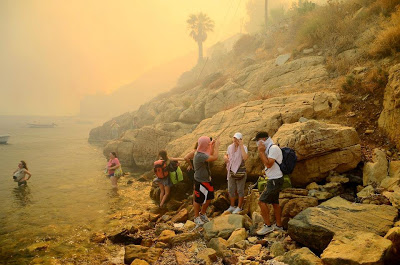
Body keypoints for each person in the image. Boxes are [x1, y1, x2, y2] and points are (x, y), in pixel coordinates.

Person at [254, 131, 284, 235]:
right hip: (273, 178)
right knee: (275, 203)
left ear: (263, 140)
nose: (257, 144)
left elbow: (269, 164)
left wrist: (261, 152)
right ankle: (279, 225)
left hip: (275, 180)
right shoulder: (270, 148)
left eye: (258, 141)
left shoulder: (273, 148)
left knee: (261, 201)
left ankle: (268, 226)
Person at [193, 136, 220, 226]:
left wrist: (212, 146)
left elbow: (210, 154)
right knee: (198, 199)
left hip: (207, 180)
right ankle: (196, 217)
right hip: (200, 180)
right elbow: (214, 157)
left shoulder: (202, 153)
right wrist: (217, 146)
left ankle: (203, 213)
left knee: (209, 197)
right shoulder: (199, 155)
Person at [224, 132, 248, 214]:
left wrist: (241, 146)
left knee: (240, 190)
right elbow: (226, 155)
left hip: (240, 171)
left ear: (241, 140)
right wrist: (225, 158)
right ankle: (232, 206)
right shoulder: (230, 147)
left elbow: (245, 158)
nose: (235, 140)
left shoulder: (244, 147)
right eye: (234, 138)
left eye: (237, 139)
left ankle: (239, 207)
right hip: (231, 171)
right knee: (231, 189)